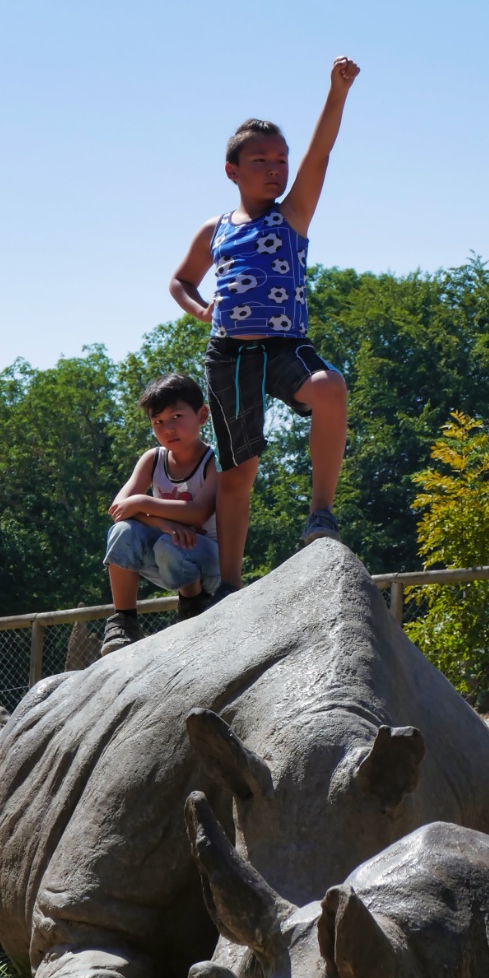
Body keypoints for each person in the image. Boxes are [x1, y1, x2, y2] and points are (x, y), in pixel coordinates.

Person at [169, 57, 359, 597]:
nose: (275, 168)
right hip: (228, 354)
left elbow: (320, 153)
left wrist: (336, 93)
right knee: (238, 471)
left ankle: (320, 512)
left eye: (281, 158)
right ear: (232, 170)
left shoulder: (292, 212)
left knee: (330, 388)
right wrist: (199, 308)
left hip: (282, 344)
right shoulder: (216, 228)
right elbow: (179, 281)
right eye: (261, 160)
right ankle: (229, 584)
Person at [100, 374, 219, 654]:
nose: (168, 428)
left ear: (202, 415)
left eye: (177, 416)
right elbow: (119, 509)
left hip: (208, 563)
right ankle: (124, 621)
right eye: (158, 422)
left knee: (171, 542)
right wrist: (163, 523)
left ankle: (192, 603)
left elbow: (198, 514)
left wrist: (143, 503)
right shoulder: (153, 459)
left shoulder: (214, 461)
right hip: (165, 557)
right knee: (122, 532)